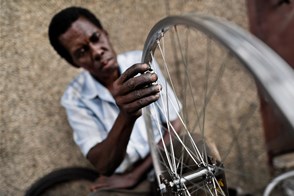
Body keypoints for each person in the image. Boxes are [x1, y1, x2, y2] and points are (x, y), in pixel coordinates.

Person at [48, 6, 181, 195]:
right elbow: (103, 164)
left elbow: (175, 125)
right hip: (124, 177)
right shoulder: (74, 99)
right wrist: (126, 116)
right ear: (73, 62)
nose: (96, 52)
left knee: (202, 151)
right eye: (82, 51)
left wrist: (135, 175)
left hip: (167, 154)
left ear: (105, 33)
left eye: (95, 38)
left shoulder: (141, 62)